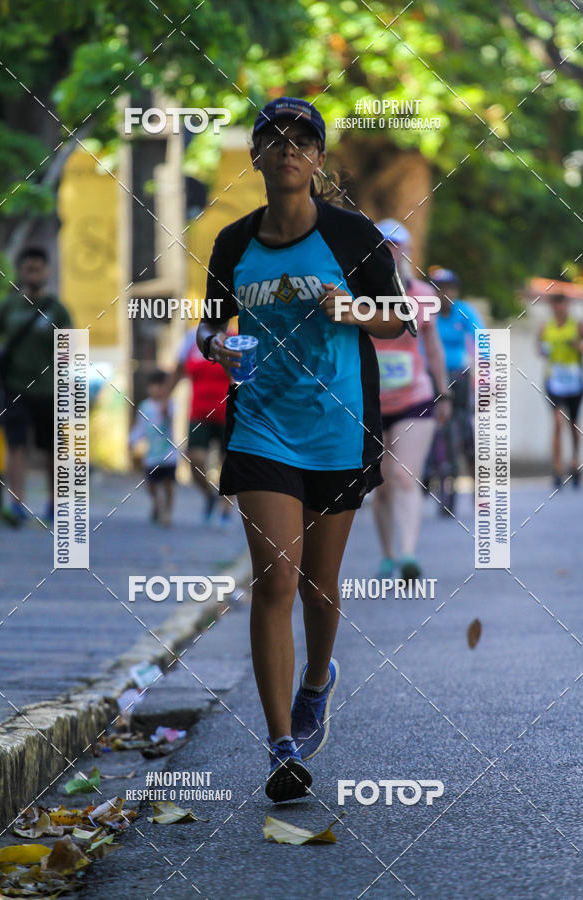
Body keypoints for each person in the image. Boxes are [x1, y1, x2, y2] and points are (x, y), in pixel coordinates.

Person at [195, 97, 409, 803]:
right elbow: (207, 329)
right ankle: (281, 745)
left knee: (319, 587)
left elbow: (400, 319)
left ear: (318, 159)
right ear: (255, 156)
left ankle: (319, 677)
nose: (287, 149)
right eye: (273, 139)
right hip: (261, 427)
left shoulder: (353, 237)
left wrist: (349, 307)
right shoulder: (233, 243)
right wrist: (218, 346)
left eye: (302, 140)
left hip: (338, 427)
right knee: (276, 580)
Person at [370, 221, 451, 581]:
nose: (390, 250)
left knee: (404, 476)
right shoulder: (358, 295)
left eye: (396, 244)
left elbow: (432, 345)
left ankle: (408, 555)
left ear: (406, 250)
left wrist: (443, 391)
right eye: (383, 244)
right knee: (382, 484)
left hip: (414, 397)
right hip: (369, 402)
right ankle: (388, 554)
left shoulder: (422, 295)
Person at [0, 246, 72, 524]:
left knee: (51, 449)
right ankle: (17, 503)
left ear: (46, 271)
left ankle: (54, 504)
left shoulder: (57, 310)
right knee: (16, 445)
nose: (33, 273)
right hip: (14, 387)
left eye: (38, 268)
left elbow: (70, 348)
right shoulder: (9, 308)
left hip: (49, 389)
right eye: (28, 268)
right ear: (21, 272)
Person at [425, 267, 484, 511]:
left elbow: (481, 340)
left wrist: (485, 375)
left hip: (459, 378)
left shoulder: (464, 311)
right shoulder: (427, 311)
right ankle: (435, 478)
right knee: (432, 429)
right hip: (432, 377)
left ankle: (478, 489)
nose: (443, 293)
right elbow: (418, 341)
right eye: (439, 288)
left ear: (455, 291)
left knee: (465, 432)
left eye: (448, 288)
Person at [172, 326, 232, 523]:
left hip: (229, 412)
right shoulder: (192, 338)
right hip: (199, 413)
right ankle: (209, 495)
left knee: (230, 462)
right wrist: (163, 398)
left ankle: (226, 508)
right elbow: (178, 370)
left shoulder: (235, 337)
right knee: (194, 459)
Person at [537, 293, 583, 488]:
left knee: (573, 423)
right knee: (557, 421)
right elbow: (539, 348)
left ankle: (574, 462)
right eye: (555, 305)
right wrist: (543, 349)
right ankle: (557, 469)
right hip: (554, 380)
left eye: (562, 304)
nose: (559, 308)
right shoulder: (545, 328)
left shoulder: (577, 326)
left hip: (573, 380)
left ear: (567, 306)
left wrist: (577, 346)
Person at [129, 369, 178, 526]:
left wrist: (165, 405)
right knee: (150, 484)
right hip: (152, 454)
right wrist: (131, 440)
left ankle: (168, 513)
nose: (157, 389)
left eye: (161, 385)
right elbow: (140, 427)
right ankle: (157, 503)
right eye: (154, 385)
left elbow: (169, 417)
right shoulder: (145, 406)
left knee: (169, 484)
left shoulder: (169, 404)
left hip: (169, 453)